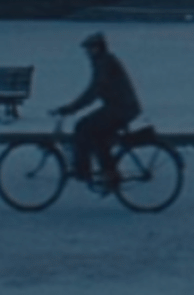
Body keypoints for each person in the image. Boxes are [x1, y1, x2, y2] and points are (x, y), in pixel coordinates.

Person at [53, 31, 141, 189]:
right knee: (97, 135)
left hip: (122, 108)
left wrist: (71, 108)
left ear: (98, 49)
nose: (87, 53)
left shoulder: (104, 63)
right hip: (120, 106)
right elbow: (95, 90)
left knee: (84, 127)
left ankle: (89, 172)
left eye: (90, 49)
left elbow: (95, 90)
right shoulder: (103, 61)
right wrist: (73, 107)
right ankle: (105, 173)